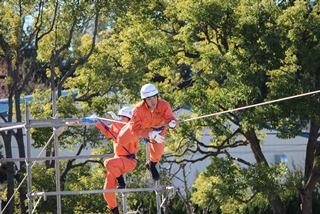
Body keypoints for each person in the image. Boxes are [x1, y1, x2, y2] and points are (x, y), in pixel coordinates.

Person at [117, 83, 178, 181]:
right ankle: (126, 129)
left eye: (154, 98)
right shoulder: (138, 109)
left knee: (157, 154)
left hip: (157, 130)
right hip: (140, 127)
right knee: (121, 140)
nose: (153, 101)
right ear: (144, 100)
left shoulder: (164, 105)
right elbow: (134, 128)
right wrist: (148, 134)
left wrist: (173, 124)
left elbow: (171, 120)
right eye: (149, 99)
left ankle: (151, 165)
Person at [94, 107, 139, 214]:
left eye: (125, 118)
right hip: (117, 162)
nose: (121, 119)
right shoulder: (116, 126)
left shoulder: (133, 130)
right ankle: (115, 211)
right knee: (107, 191)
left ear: (129, 120)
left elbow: (123, 134)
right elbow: (107, 132)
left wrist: (116, 123)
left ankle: (121, 181)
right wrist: (97, 122)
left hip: (128, 161)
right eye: (121, 117)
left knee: (108, 163)